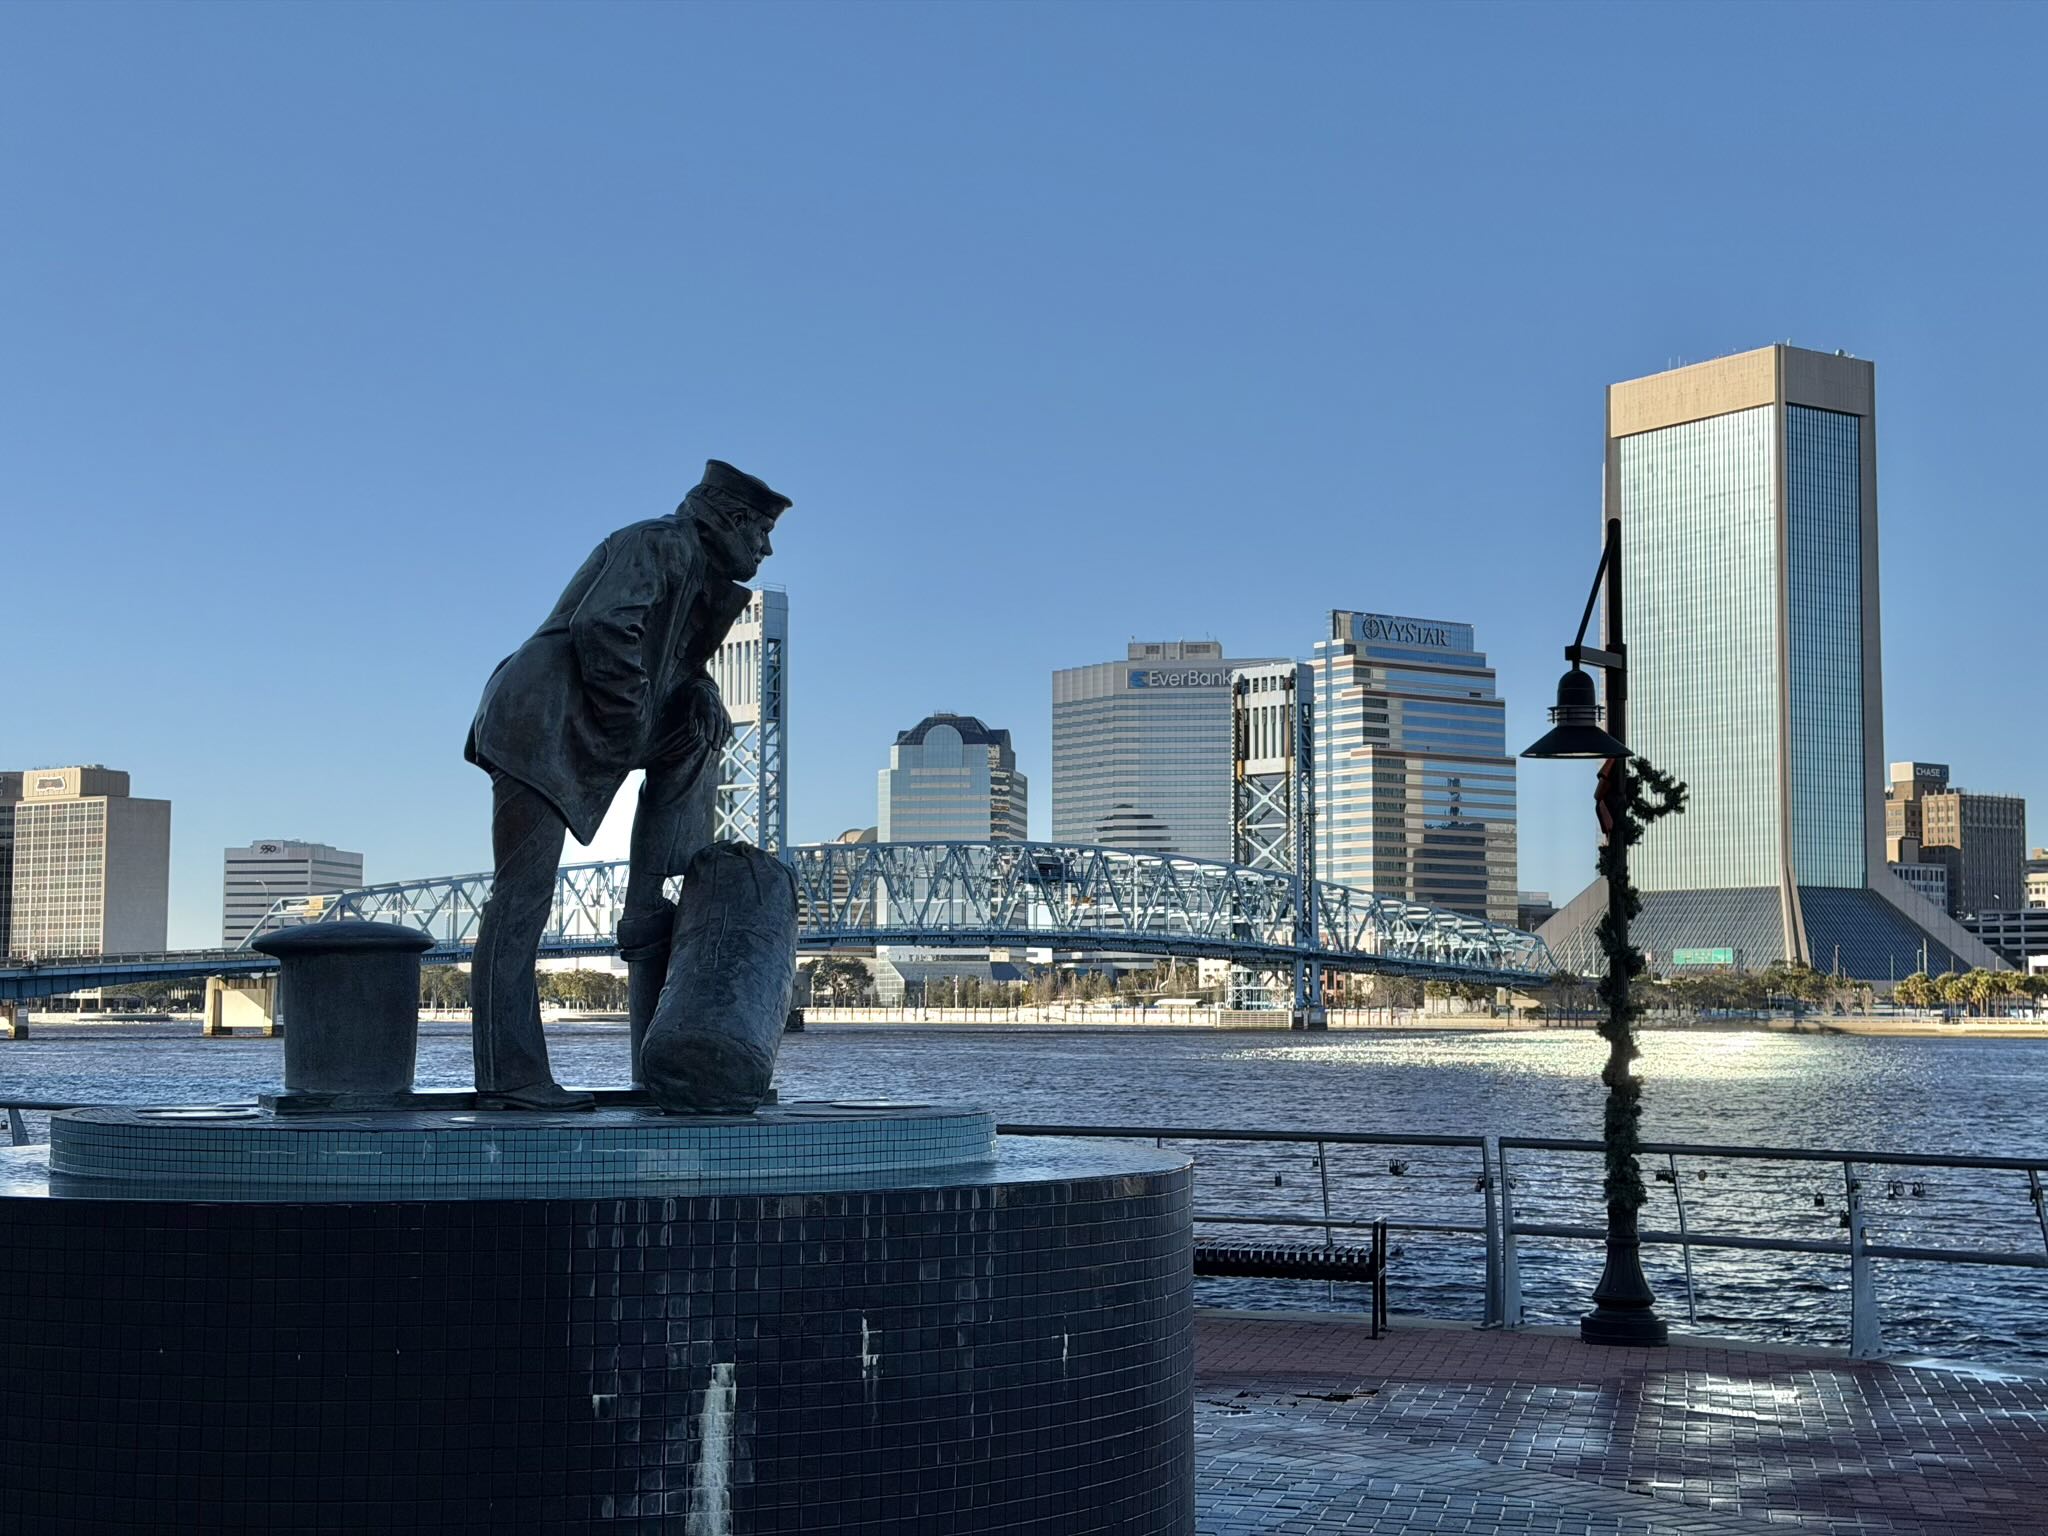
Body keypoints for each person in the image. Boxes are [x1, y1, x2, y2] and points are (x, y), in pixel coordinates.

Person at [463, 460, 790, 1108]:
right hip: (541, 720)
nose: (767, 547)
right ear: (725, 518)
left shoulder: (704, 582)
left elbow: (681, 666)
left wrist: (699, 694)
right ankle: (511, 1077)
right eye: (760, 530)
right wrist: (633, 723)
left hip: (587, 724)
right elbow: (604, 628)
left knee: (697, 732)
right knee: (521, 899)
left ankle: (647, 900)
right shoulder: (659, 543)